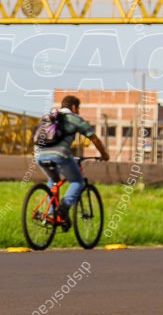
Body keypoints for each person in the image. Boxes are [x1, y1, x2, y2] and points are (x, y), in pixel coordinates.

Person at [34, 95, 109, 226]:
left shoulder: (49, 117)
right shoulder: (75, 119)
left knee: (54, 180)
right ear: (74, 107)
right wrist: (104, 154)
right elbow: (94, 138)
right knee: (77, 181)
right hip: (60, 155)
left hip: (39, 154)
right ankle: (63, 208)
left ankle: (52, 213)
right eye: (78, 108)